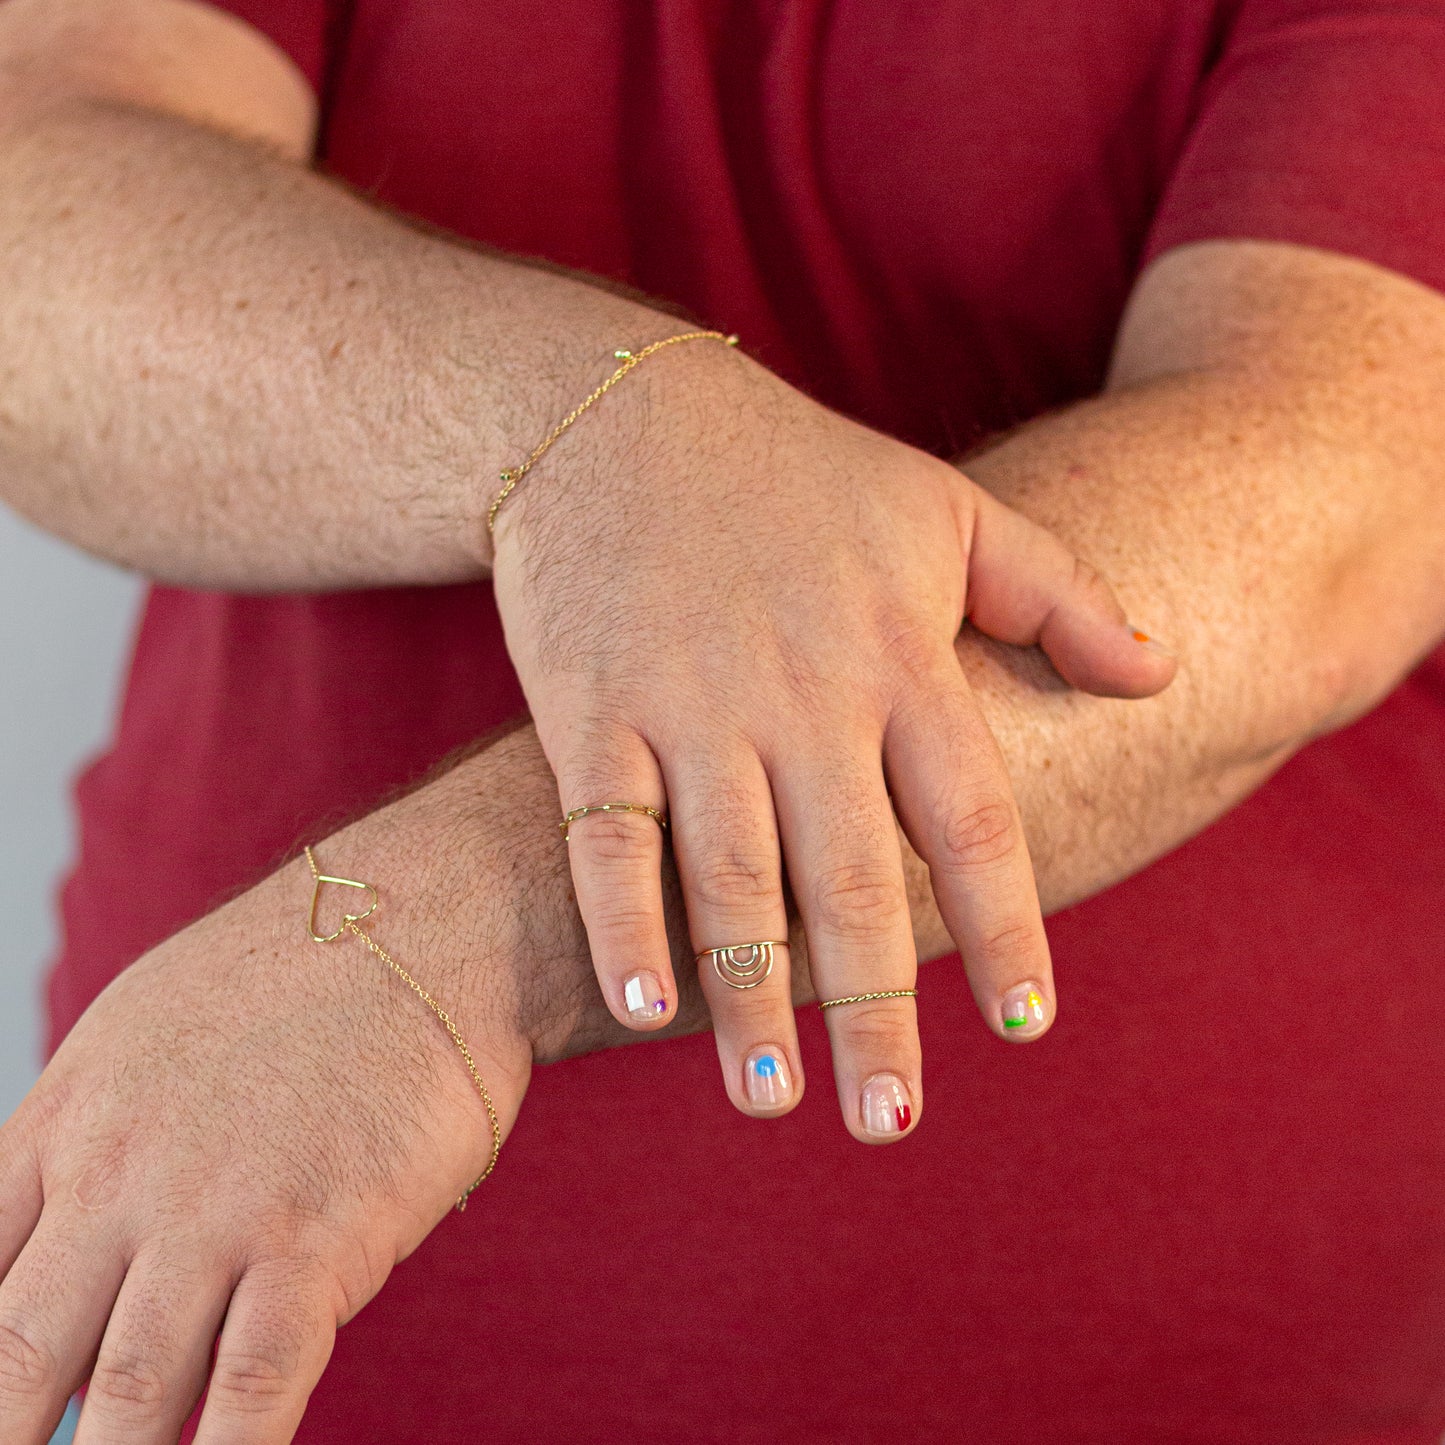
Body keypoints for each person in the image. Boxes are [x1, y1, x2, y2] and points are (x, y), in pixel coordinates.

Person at [0, 0, 1443, 1441]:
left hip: (1182, 1363)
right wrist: (589, 422)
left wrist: (423, 944)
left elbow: (1330, 495)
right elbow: (39, 228)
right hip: (265, 1299)